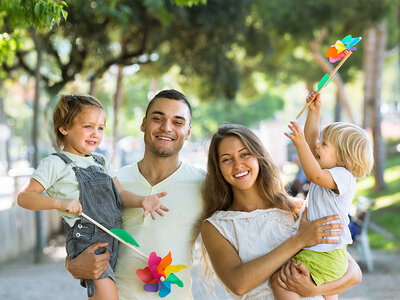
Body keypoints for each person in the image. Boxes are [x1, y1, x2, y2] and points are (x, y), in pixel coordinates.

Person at [17, 93, 168, 300]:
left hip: (115, 237)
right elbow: (25, 197)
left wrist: (142, 201)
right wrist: (59, 202)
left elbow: (121, 195)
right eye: (88, 126)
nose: (95, 134)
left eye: (100, 128)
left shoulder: (101, 161)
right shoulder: (55, 163)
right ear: (65, 127)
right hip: (88, 242)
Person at [65, 89, 205, 299]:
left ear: (189, 130)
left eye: (178, 122)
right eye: (157, 118)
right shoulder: (111, 181)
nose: (166, 127)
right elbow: (83, 236)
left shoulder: (204, 185)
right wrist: (73, 265)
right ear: (143, 124)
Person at [201, 123, 362, 300]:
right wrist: (299, 239)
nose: (238, 164)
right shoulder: (216, 226)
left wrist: (315, 290)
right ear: (218, 169)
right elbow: (238, 283)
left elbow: (353, 273)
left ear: (258, 157)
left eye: (245, 154)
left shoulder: (297, 209)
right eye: (226, 159)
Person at [272, 92, 374, 300]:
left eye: (325, 144)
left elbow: (313, 173)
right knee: (328, 292)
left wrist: (299, 144)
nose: (318, 145)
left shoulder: (343, 176)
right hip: (327, 252)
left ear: (343, 158)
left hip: (324, 253)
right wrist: (314, 113)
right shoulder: (332, 169)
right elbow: (311, 144)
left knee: (282, 283)